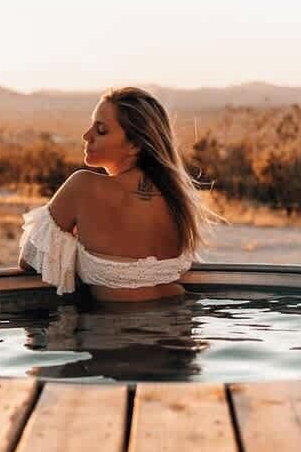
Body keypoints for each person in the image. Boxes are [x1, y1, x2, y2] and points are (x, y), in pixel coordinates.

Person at [17, 86, 212, 303]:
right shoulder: (176, 197)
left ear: (134, 145)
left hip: (116, 333)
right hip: (179, 323)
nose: (86, 135)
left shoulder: (84, 186)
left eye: (101, 130)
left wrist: (71, 242)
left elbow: (30, 259)